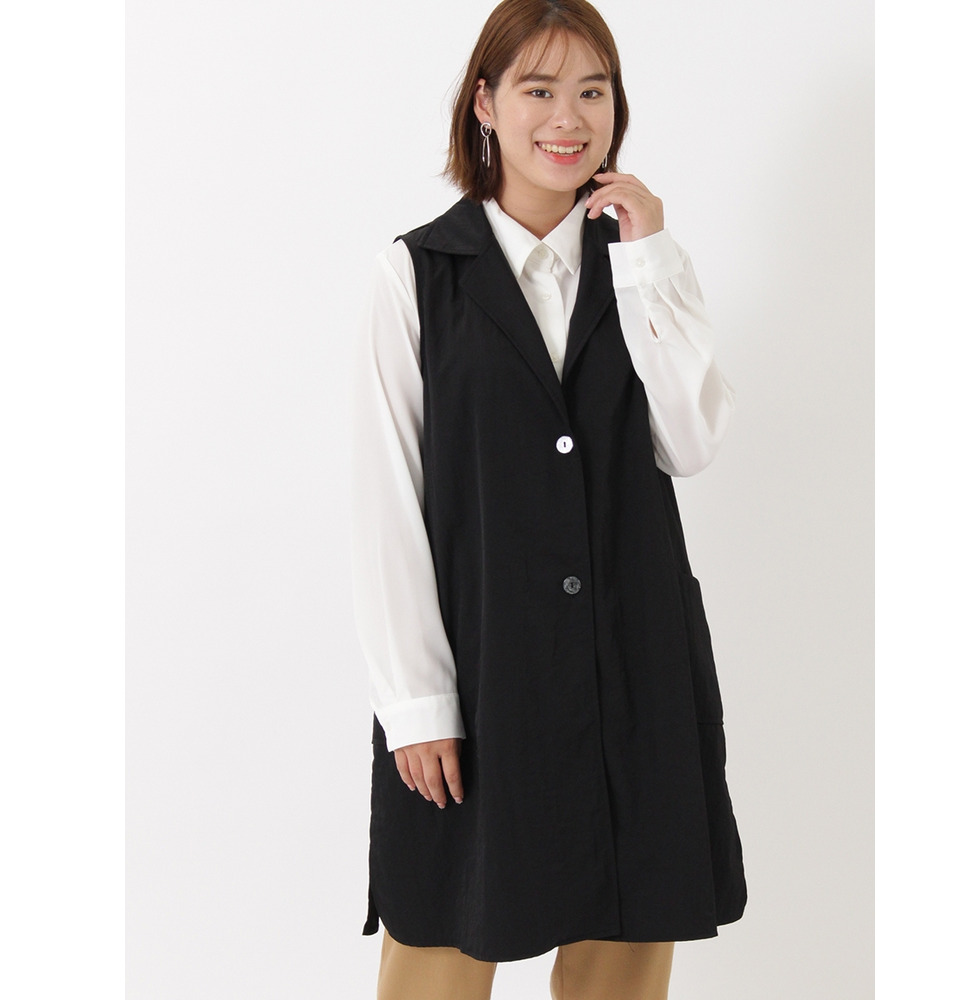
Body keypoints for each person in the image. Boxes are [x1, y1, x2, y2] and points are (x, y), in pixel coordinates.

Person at [349, 1, 747, 996]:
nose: (568, 118)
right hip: (481, 676)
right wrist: (416, 703)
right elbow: (385, 499)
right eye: (538, 89)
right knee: (440, 943)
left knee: (623, 949)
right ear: (485, 104)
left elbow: (690, 441)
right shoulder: (417, 274)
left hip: (633, 669)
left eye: (592, 92)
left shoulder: (644, 266)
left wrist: (648, 257)